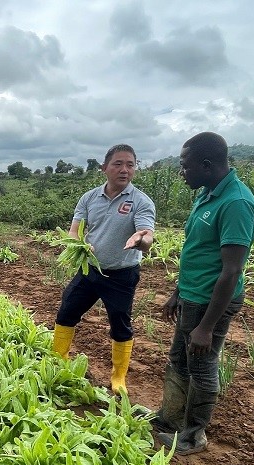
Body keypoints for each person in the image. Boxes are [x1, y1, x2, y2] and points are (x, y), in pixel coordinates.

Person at [154, 132, 254, 455]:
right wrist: (178, 293)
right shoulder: (207, 194)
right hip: (192, 296)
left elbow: (230, 272)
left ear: (206, 164)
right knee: (179, 360)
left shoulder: (236, 203)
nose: (181, 173)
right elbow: (197, 251)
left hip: (211, 303)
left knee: (201, 365)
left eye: (185, 167)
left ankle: (193, 435)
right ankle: (169, 421)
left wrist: (207, 326)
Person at [52, 144, 155, 396]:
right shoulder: (89, 198)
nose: (125, 169)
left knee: (120, 323)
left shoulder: (141, 201)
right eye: (118, 164)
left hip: (122, 275)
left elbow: (147, 234)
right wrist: (79, 243)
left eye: (130, 164)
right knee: (66, 312)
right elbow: (74, 230)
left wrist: (141, 239)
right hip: (90, 270)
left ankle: (118, 377)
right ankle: (58, 360)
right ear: (104, 168)